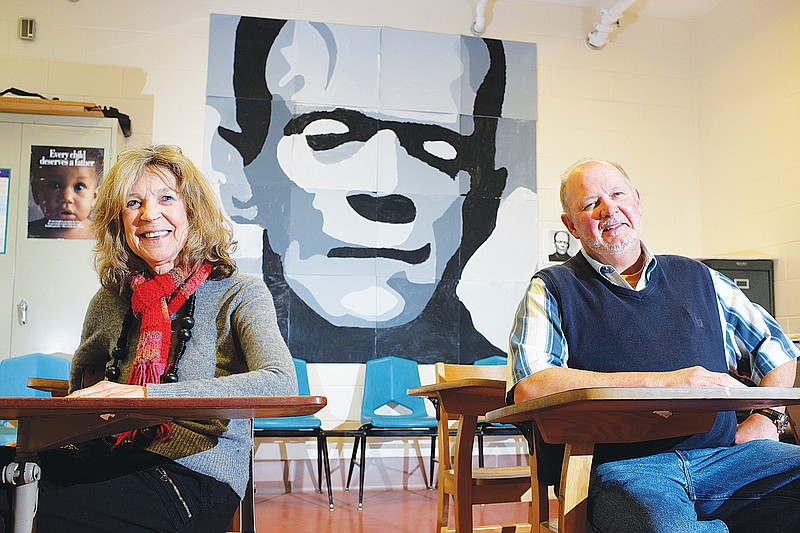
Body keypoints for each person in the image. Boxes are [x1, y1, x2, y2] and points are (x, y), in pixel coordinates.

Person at [1, 145, 297, 533]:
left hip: (193, 478)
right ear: (118, 221)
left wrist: (143, 396)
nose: (149, 215)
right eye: (133, 202)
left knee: (34, 507)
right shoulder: (110, 300)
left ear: (193, 210)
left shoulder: (239, 293)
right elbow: (84, 378)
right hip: (110, 456)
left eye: (166, 198)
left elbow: (280, 382)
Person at [207, 16, 537, 363]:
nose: (388, 190)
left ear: (485, 199)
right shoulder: (205, 364)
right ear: (238, 172)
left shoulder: (489, 384)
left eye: (440, 149)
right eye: (328, 137)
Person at [508, 158, 800, 532]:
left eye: (617, 194)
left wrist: (768, 419)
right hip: (627, 469)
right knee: (662, 525)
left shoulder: (700, 278)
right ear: (571, 226)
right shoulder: (552, 288)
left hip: (728, 459)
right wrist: (670, 382)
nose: (608, 209)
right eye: (590, 204)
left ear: (638, 203)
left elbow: (777, 349)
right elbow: (532, 384)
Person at [28, 146, 103, 240]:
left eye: (79, 187)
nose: (67, 197)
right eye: (55, 185)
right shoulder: (30, 232)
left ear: (95, 196)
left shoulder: (102, 236)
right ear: (37, 193)